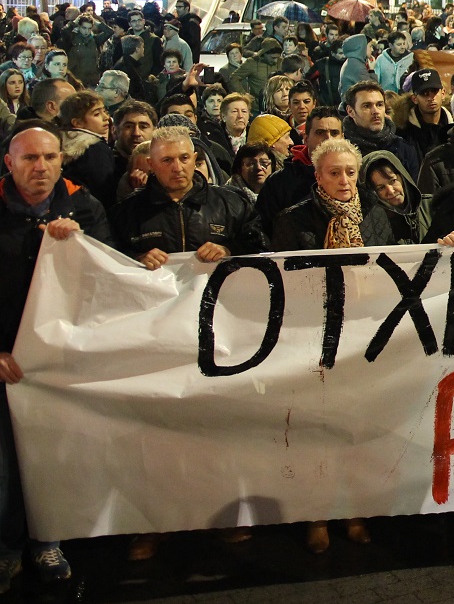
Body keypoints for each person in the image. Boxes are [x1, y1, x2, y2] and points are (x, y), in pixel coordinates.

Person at [0, 124, 116, 588]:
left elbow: (110, 275)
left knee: (54, 453)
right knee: (6, 463)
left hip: (61, 358)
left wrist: (80, 245)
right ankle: (7, 547)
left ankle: (48, 539)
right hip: (7, 359)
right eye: (29, 158)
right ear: (9, 163)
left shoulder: (85, 206)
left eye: (50, 157)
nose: (41, 167)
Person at [270, 138, 388, 552]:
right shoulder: (293, 220)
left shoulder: (377, 215)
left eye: (350, 172)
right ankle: (316, 514)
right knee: (315, 429)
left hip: (364, 334)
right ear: (318, 176)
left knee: (356, 426)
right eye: (334, 172)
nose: (344, 180)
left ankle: (354, 509)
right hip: (313, 335)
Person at [110, 126, 263, 272]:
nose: (177, 168)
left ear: (194, 159)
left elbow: (260, 247)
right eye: (167, 160)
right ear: (151, 164)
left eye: (184, 158)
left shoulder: (232, 204)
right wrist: (135, 259)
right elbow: (108, 261)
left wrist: (229, 249)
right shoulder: (126, 213)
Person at [255, 106, 346, 237]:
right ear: (306, 138)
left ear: (342, 138)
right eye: (320, 133)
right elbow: (263, 231)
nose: (328, 139)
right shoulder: (278, 183)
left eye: (334, 133)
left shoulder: (354, 178)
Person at [341, 81, 420, 179]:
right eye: (366, 106)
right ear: (350, 111)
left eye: (379, 105)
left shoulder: (404, 149)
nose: (375, 111)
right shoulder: (343, 151)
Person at [58, 90, 119, 209]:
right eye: (96, 114)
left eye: (104, 111)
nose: (106, 117)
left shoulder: (58, 143)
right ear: (77, 123)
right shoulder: (95, 149)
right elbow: (104, 190)